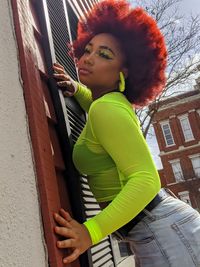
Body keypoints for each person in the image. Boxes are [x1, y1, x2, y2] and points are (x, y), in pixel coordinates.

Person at [52, 0, 200, 266]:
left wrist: (90, 232)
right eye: (88, 50)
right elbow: (98, 108)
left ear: (125, 72)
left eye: (104, 55)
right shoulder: (110, 104)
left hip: (165, 233)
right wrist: (78, 90)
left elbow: (146, 179)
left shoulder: (107, 109)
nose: (88, 58)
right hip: (159, 229)